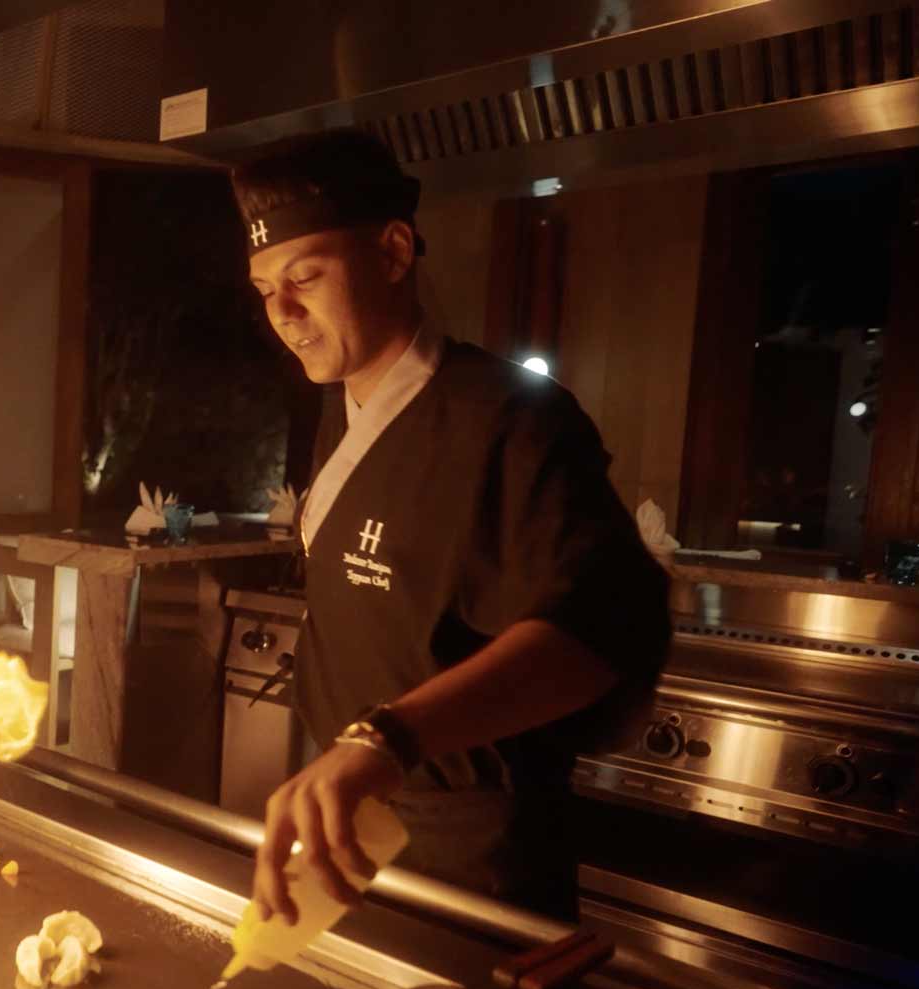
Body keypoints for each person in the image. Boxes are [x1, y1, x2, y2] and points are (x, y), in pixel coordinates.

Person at [234, 129, 671, 923]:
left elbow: (599, 632)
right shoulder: (340, 412)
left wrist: (387, 740)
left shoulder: (514, 417)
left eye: (304, 277)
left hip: (475, 856)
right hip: (353, 825)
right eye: (266, 288)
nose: (283, 313)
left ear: (393, 252)